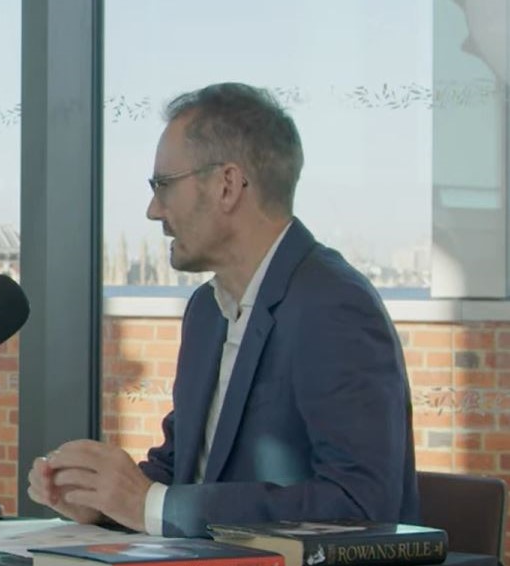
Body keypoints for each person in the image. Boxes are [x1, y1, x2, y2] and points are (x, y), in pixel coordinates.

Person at [27, 82, 419, 537]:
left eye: (164, 186)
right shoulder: (206, 311)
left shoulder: (333, 305)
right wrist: (101, 500)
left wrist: (148, 504)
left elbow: (362, 504)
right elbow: (184, 474)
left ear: (227, 185)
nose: (154, 210)